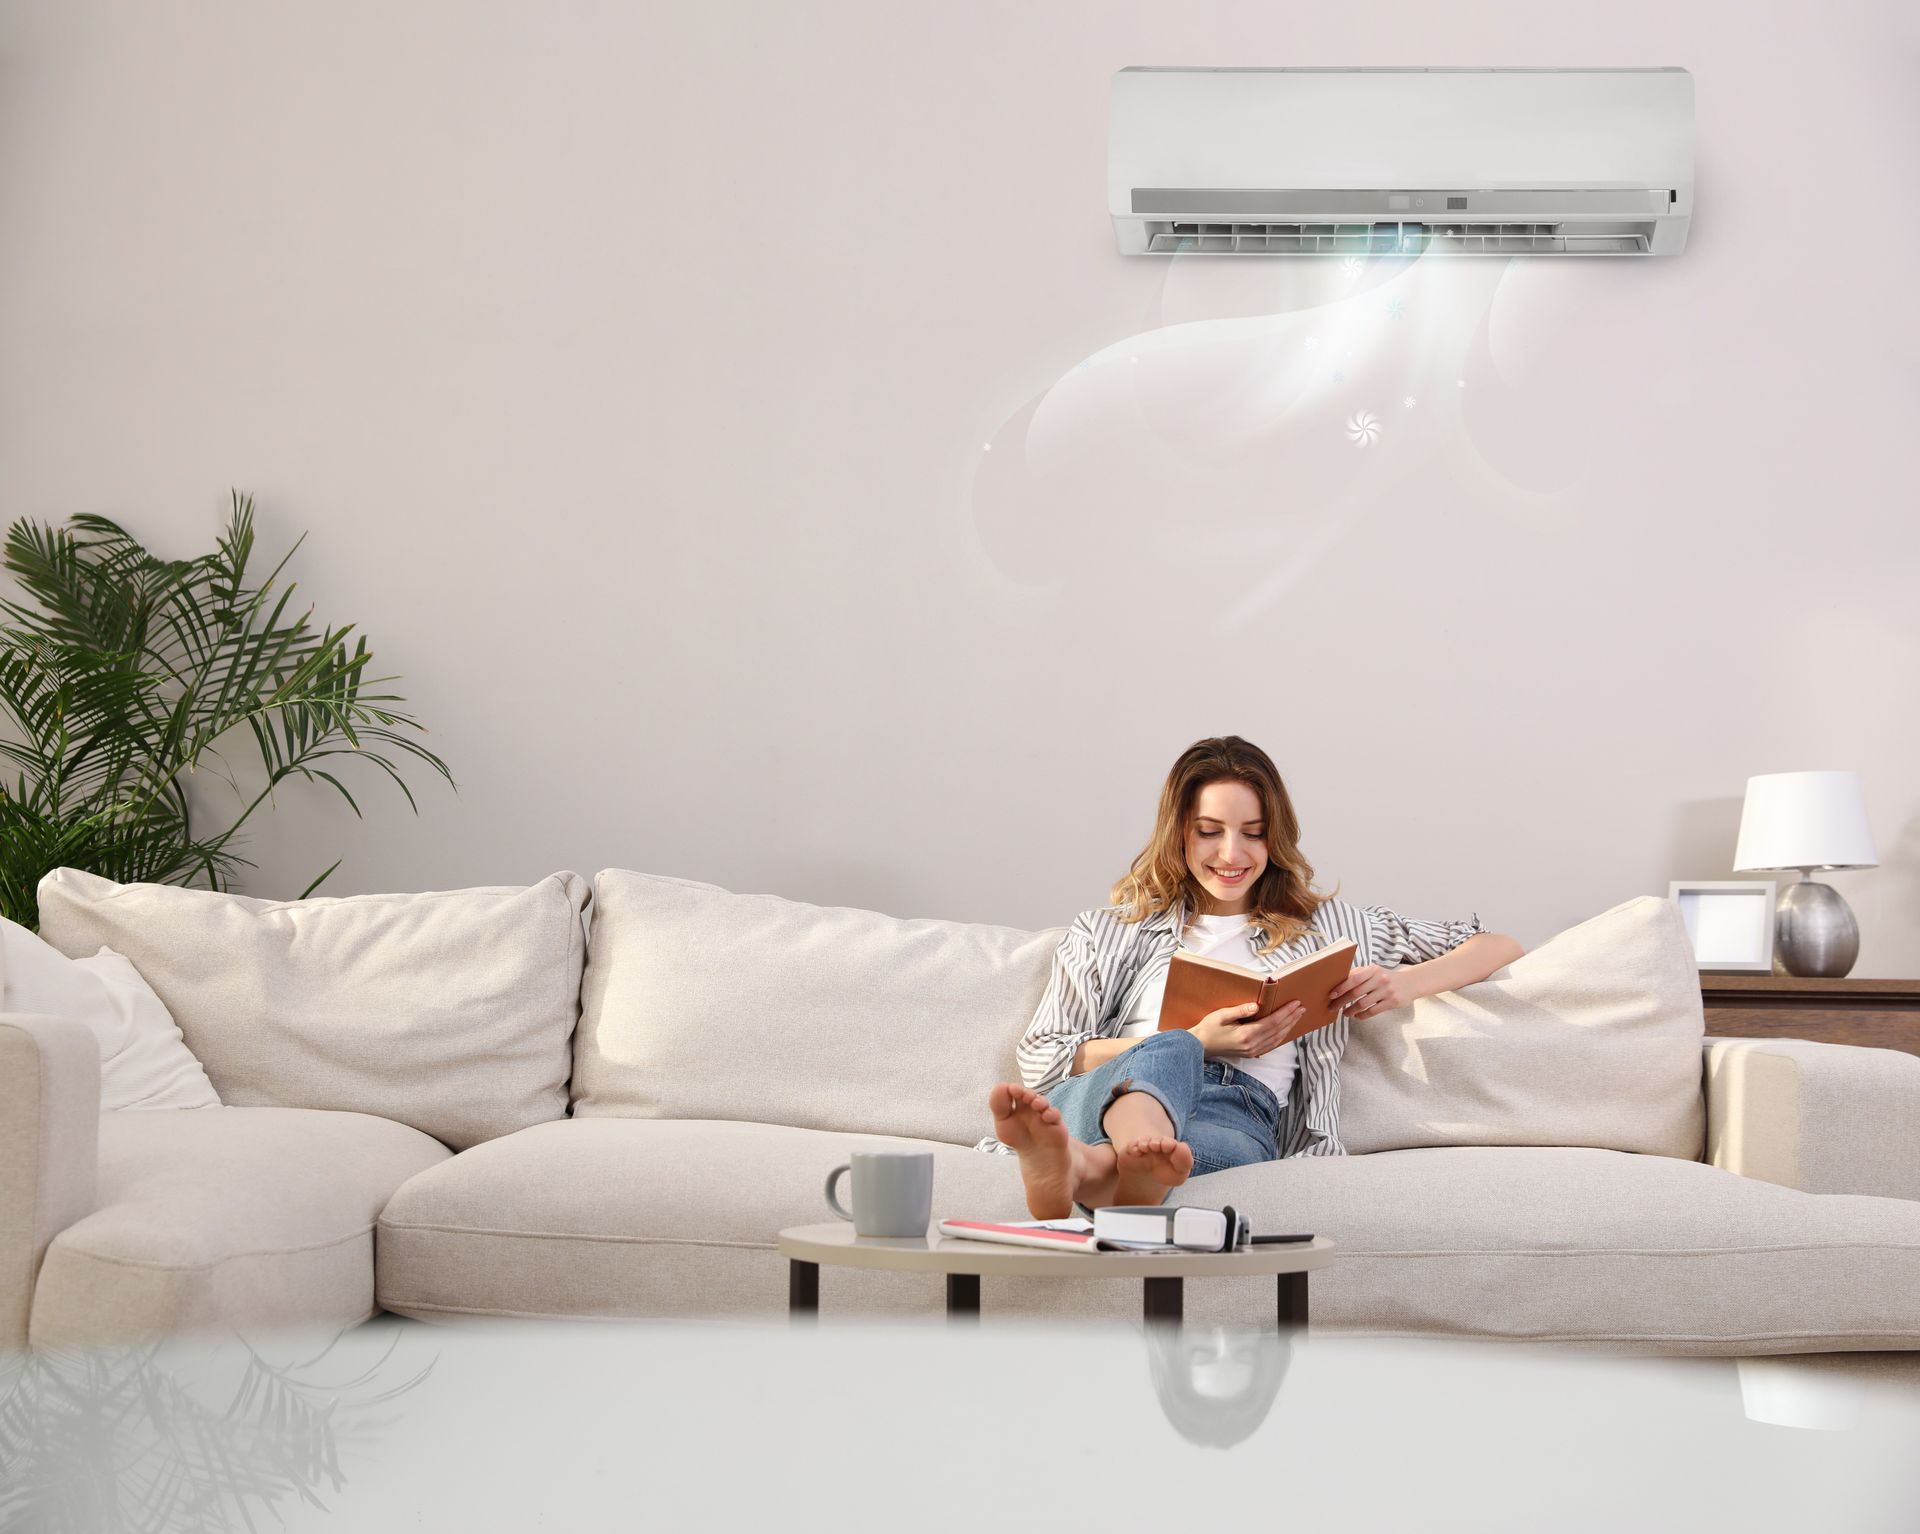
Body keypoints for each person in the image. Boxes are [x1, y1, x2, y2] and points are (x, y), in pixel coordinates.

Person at [975, 735, 1524, 1219]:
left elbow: (1497, 945)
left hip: (1242, 1106)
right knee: (1169, 1051)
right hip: (1116, 1085)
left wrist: (1402, 985)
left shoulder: (1334, 925)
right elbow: (1043, 1053)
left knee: (1208, 1152)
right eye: (1209, 832)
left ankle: (1088, 1168)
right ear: (1178, 833)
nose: (1231, 854)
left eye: (1253, 834)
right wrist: (1197, 1042)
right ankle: (1128, 1160)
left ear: (1275, 837)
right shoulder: (1109, 931)